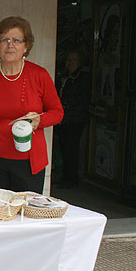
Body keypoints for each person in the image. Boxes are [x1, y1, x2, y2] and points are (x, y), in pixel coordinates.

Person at [0, 16, 63, 193]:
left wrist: (39, 121)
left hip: (29, 162)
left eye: (16, 40)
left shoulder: (39, 75)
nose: (10, 45)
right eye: (4, 40)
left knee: (26, 214)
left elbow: (58, 112)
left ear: (26, 46)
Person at [54, 50, 91, 188]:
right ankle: (66, 177)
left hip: (75, 119)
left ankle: (72, 178)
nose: (70, 62)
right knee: (64, 148)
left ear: (79, 61)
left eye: (74, 59)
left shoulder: (83, 77)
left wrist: (64, 105)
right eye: (69, 59)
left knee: (72, 148)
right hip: (64, 119)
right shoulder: (64, 77)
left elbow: (81, 98)